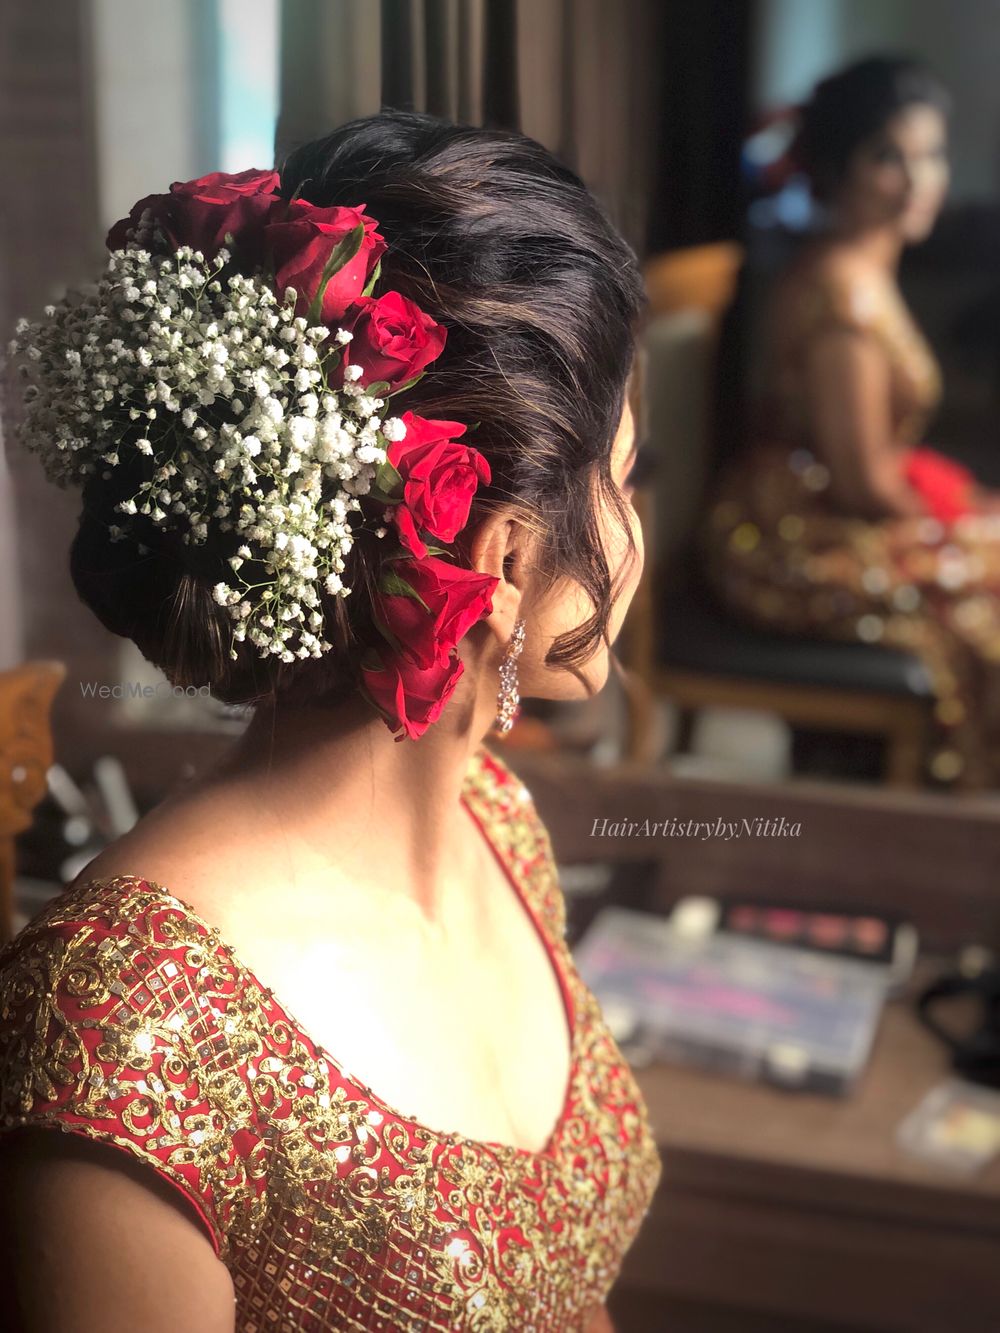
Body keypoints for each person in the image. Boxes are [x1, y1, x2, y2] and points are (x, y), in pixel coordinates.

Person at [0, 110, 659, 1332]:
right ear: (504, 558)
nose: (630, 527)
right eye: (622, 473)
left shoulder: (499, 827)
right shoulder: (128, 1026)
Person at [699, 55, 1000, 789]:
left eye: (929, 155)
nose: (918, 179)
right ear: (838, 167)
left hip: (827, 503)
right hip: (791, 531)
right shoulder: (843, 296)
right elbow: (865, 479)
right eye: (888, 157)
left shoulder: (864, 266)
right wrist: (969, 524)